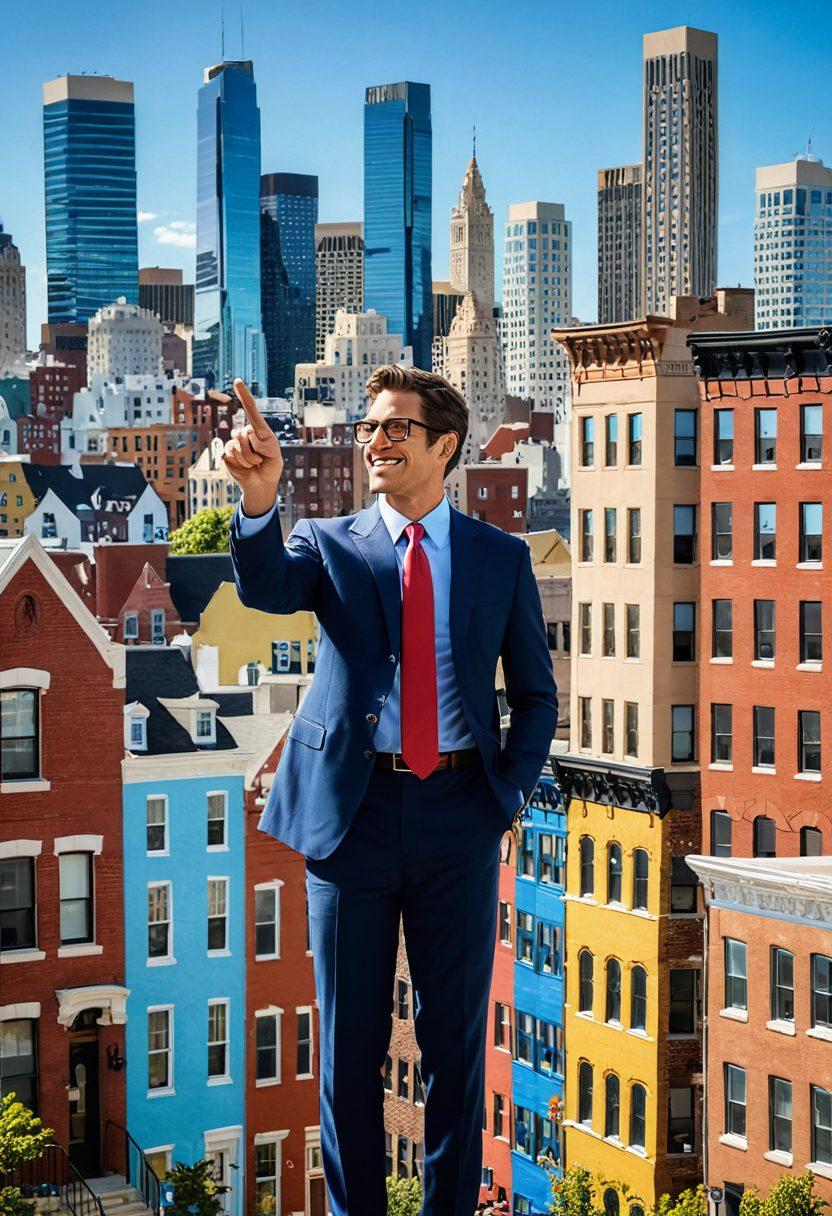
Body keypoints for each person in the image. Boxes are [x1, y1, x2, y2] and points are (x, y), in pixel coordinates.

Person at [224, 366, 557, 1216]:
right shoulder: (329, 542)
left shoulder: (500, 557)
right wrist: (260, 500)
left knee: (455, 1048)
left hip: (460, 815)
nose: (375, 441)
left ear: (445, 446)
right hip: (352, 815)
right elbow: (266, 587)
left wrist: (504, 798)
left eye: (395, 427)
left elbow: (535, 695)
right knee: (349, 1049)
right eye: (369, 427)